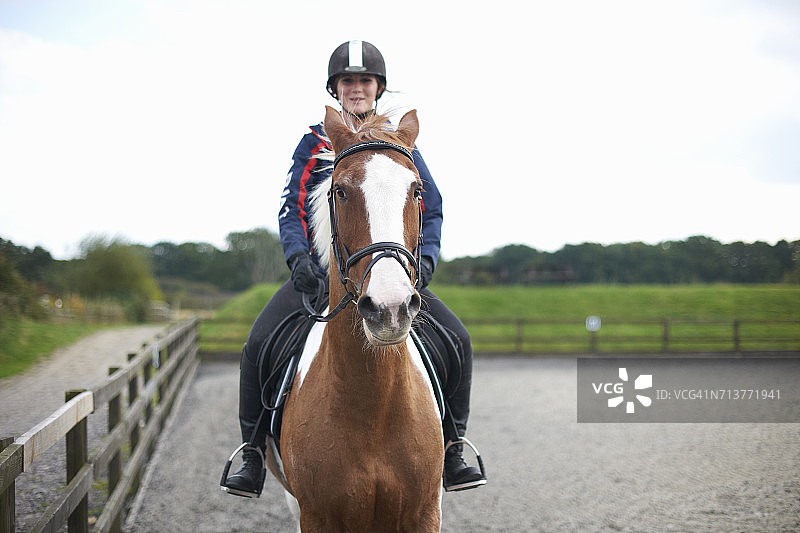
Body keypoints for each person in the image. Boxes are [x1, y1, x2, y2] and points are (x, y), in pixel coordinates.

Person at [225, 40, 485, 497]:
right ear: (336, 88)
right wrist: (299, 259)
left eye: (365, 80)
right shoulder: (315, 140)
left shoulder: (398, 143)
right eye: (349, 80)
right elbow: (292, 208)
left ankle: (454, 446)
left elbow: (431, 205)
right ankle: (250, 453)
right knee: (258, 344)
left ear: (378, 87)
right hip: (321, 276)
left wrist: (423, 260)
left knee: (458, 339)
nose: (357, 88)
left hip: (387, 271)